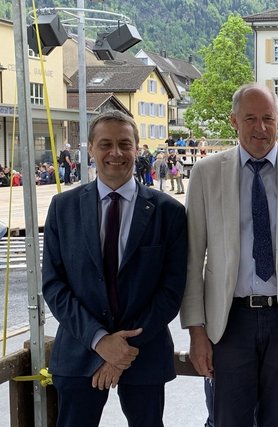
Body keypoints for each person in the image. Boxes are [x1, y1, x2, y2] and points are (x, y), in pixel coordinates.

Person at [180, 83, 278, 427]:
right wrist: (196, 332)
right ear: (234, 122)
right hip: (230, 321)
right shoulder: (206, 173)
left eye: (268, 118)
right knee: (230, 419)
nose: (261, 128)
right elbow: (192, 258)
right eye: (251, 119)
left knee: (277, 420)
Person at [41, 110, 187, 427]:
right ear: (91, 148)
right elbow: (54, 286)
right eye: (106, 144)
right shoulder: (62, 208)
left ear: (137, 148)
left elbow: (171, 291)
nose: (115, 153)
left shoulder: (169, 213)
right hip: (80, 351)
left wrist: (123, 349)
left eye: (124, 144)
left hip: (144, 353)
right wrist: (100, 341)